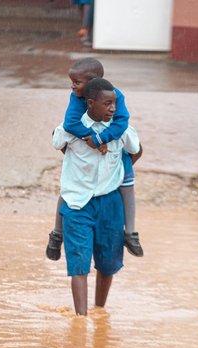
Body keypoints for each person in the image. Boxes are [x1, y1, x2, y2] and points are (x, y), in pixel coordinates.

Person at [52, 78, 141, 315]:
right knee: (78, 265)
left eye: (114, 103)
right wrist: (75, 158)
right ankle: (80, 319)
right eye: (107, 104)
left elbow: (136, 149)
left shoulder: (121, 131)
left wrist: (120, 170)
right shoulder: (72, 128)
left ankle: (100, 311)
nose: (113, 109)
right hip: (78, 204)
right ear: (90, 103)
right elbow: (57, 140)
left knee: (108, 263)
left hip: (110, 203)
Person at [46, 58, 143, 262]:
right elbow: (71, 123)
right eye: (71, 81)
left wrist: (102, 140)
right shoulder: (76, 97)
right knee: (69, 187)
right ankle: (57, 234)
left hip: (116, 152)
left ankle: (131, 233)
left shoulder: (116, 97)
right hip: (90, 149)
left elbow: (122, 122)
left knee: (127, 186)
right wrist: (89, 138)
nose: (72, 86)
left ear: (92, 81)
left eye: (76, 82)